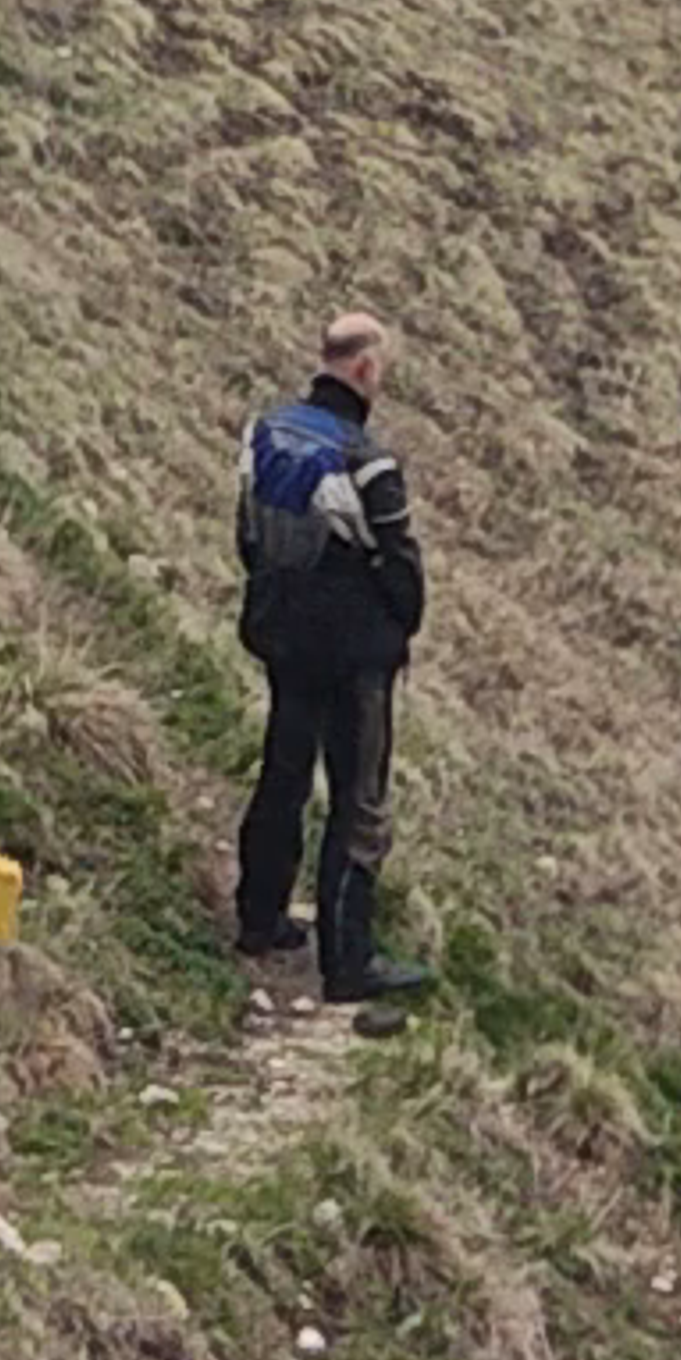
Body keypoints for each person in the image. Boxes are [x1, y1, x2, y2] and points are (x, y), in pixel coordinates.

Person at [233, 306, 431, 1003]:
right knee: (358, 801)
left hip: (284, 634)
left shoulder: (267, 432)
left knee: (282, 774)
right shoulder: (366, 459)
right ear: (366, 367)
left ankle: (259, 917)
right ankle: (348, 961)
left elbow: (248, 532)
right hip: (354, 656)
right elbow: (400, 564)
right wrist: (398, 624)